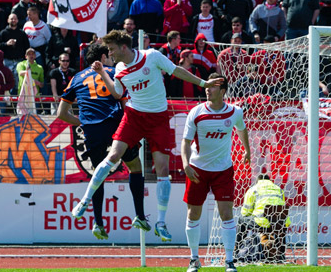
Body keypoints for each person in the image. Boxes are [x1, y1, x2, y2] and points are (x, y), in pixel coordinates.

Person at [71, 30, 224, 242]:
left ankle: (160, 223)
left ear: (123, 47)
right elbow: (117, 93)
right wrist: (102, 73)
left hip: (158, 118)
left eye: (112, 49)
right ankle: (85, 200)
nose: (110, 53)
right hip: (133, 116)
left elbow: (176, 71)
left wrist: (203, 83)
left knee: (163, 169)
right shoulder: (119, 67)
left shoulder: (151, 56)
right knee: (113, 155)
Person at [57, 44, 150, 239]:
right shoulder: (114, 72)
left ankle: (98, 223)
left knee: (97, 174)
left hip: (92, 130)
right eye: (109, 55)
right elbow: (125, 103)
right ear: (102, 57)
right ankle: (140, 216)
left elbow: (61, 114)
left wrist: (82, 122)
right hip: (115, 125)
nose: (112, 58)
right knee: (135, 166)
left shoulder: (76, 78)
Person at [181, 73, 250, 272]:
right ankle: (194, 259)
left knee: (227, 214)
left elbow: (241, 128)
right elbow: (185, 142)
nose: (207, 90)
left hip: (223, 170)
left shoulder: (235, 112)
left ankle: (229, 260)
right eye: (206, 86)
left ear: (222, 91)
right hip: (197, 169)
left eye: (212, 87)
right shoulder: (196, 112)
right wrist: (186, 165)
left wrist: (247, 150)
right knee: (193, 214)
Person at [238, 174, 290, 263]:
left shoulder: (253, 189)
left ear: (257, 181)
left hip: (262, 222)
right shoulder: (279, 189)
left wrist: (253, 214)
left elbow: (245, 213)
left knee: (241, 220)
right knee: (279, 228)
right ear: (270, 180)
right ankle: (281, 255)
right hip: (281, 222)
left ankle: (236, 248)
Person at [22, 6, 52, 72]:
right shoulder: (26, 24)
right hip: (28, 52)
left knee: (39, 70)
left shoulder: (43, 26)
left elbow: (49, 39)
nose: (28, 16)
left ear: (36, 14)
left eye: (30, 14)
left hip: (39, 53)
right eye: (27, 14)